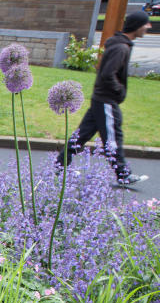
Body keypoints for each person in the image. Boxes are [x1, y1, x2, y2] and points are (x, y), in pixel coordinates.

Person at [58, 11, 152, 186]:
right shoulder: (121, 48)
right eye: (146, 24)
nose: (148, 27)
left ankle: (60, 165)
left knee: (82, 134)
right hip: (106, 100)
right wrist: (119, 90)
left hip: (100, 99)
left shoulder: (119, 45)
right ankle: (123, 174)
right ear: (137, 25)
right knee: (113, 137)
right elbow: (108, 74)